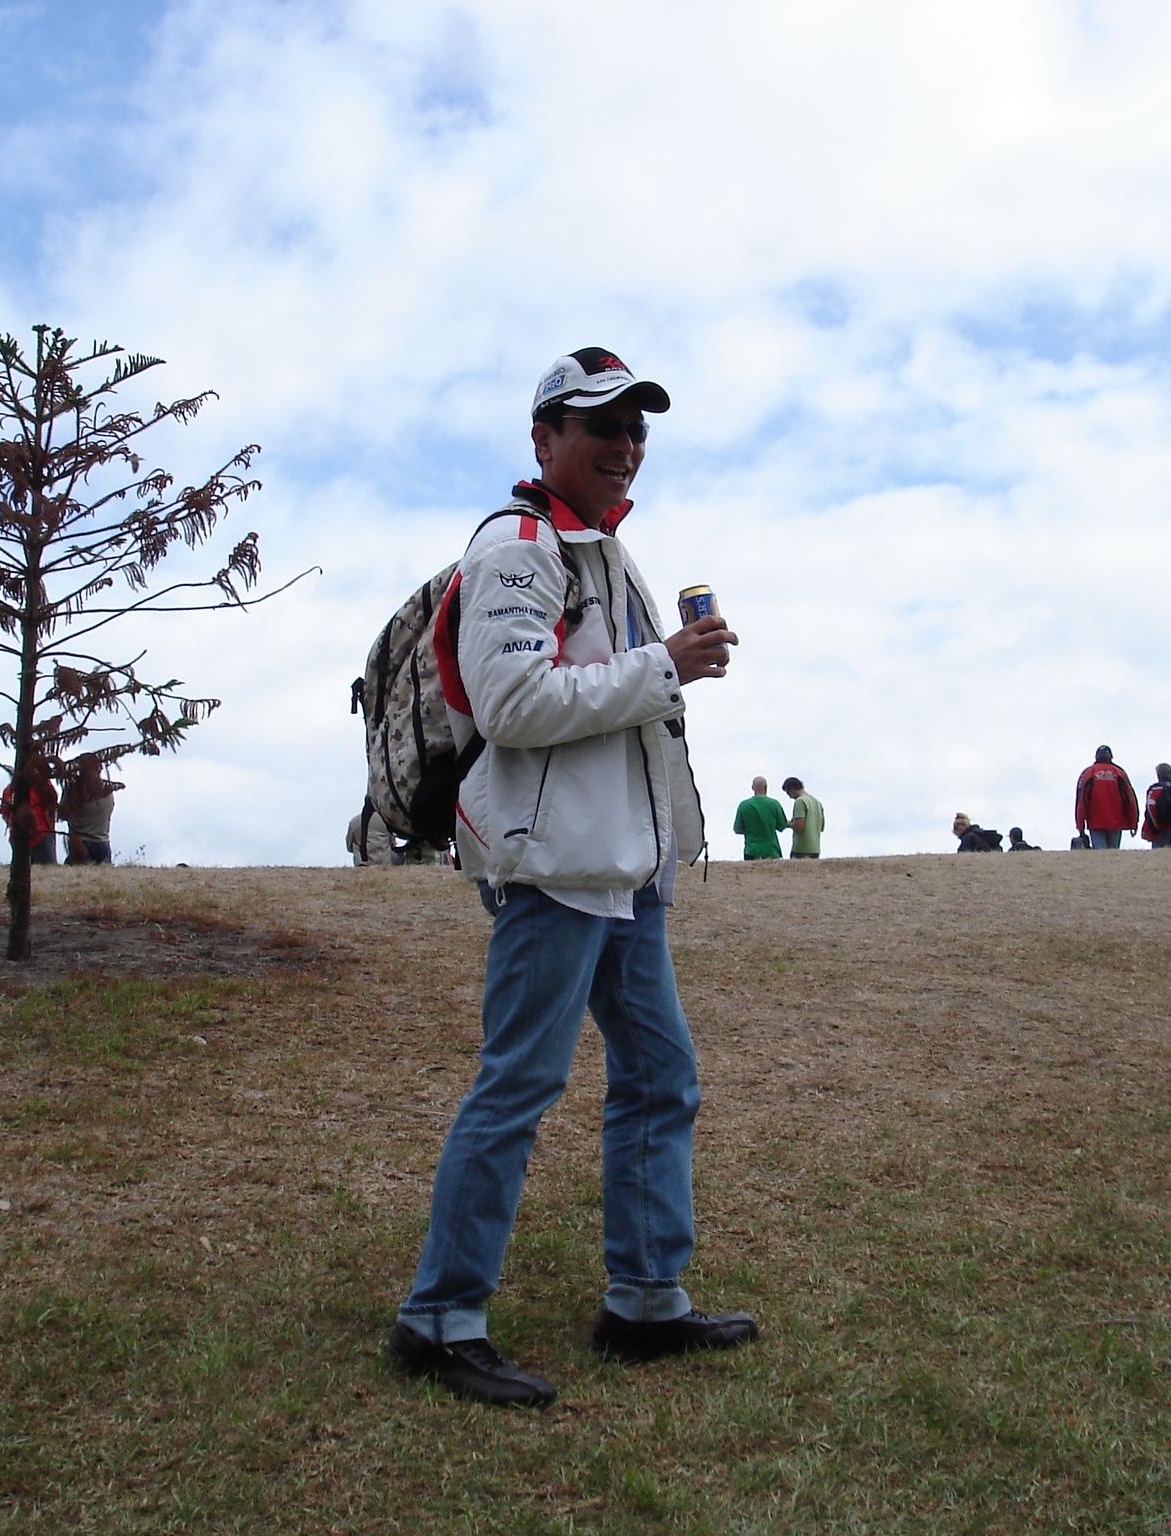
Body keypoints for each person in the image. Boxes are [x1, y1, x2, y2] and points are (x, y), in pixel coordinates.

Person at [387, 347, 754, 1410]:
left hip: (621, 873)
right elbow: (510, 704)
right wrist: (664, 665)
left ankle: (645, 1301)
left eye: (636, 428)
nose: (624, 444)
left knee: (659, 1078)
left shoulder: (602, 553)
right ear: (545, 439)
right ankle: (438, 1322)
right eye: (601, 426)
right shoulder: (518, 546)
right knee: (518, 1086)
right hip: (552, 871)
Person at [1074, 746, 1139, 849]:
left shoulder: (1088, 773)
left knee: (1100, 854)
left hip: (1095, 822)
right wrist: (1133, 822)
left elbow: (1081, 802)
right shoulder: (1119, 773)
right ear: (1111, 756)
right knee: (1113, 853)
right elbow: (1130, 800)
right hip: (1116, 821)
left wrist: (1080, 826)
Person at [60, 756, 122, 865]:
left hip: (81, 843)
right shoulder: (107, 790)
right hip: (103, 841)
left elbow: (63, 814)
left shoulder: (74, 790)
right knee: (103, 875)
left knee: (78, 874)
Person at [1, 759, 60, 864]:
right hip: (21, 837)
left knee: (47, 868)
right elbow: (5, 814)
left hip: (41, 834)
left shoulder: (41, 784)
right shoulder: (9, 791)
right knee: (25, 867)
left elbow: (52, 803)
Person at [733, 776, 787, 860]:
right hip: (771, 850)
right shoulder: (774, 804)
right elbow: (782, 826)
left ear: (752, 788)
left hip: (751, 851)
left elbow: (737, 829)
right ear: (766, 787)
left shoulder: (744, 805)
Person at [782, 776, 824, 858]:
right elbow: (821, 827)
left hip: (801, 849)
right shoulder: (817, 803)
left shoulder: (800, 801)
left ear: (792, 789)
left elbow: (799, 826)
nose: (790, 797)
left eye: (788, 793)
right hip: (815, 849)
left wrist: (787, 824)